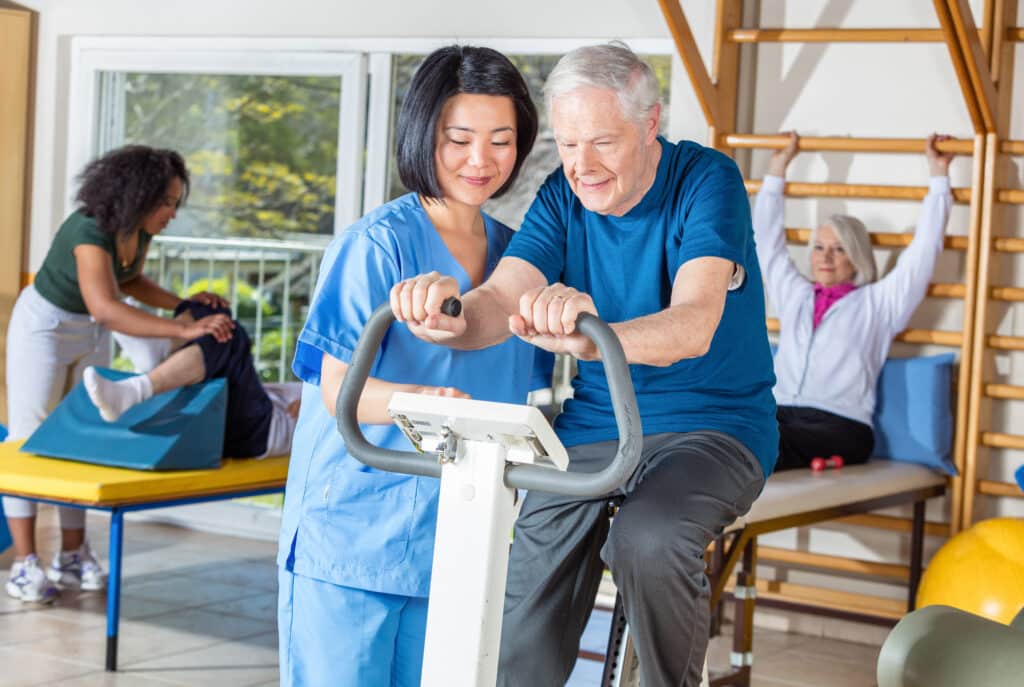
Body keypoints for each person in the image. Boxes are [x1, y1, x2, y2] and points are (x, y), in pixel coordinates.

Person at [391, 42, 777, 687]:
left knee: (648, 542)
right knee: (536, 557)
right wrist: (451, 318)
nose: (582, 166)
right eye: (568, 145)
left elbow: (694, 324)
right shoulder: (562, 198)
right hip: (598, 425)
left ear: (651, 124)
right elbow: (502, 297)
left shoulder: (708, 181)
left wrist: (595, 340)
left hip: (715, 427)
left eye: (602, 142)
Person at [277, 45, 547, 687]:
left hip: (457, 536)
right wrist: (432, 400)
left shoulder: (517, 262)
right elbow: (339, 392)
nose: (480, 161)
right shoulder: (376, 247)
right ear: (423, 134)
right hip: (353, 534)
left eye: (501, 140)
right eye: (459, 139)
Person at [4, 145, 234, 604]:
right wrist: (183, 326)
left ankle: (71, 556)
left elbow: (127, 282)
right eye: (166, 202)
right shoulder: (88, 229)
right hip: (45, 326)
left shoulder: (136, 231)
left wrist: (186, 304)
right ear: (138, 194)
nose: (171, 212)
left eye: (175, 202)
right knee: (27, 438)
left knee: (81, 436)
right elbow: (106, 306)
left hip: (89, 330)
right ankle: (25, 563)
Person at [755, 131, 954, 471]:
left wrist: (939, 178)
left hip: (842, 424)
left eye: (839, 249)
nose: (825, 258)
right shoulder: (796, 293)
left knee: (765, 440)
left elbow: (923, 252)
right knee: (731, 428)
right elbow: (766, 240)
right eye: (819, 247)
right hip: (782, 411)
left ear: (857, 256)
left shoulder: (879, 304)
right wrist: (778, 167)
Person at [81, 299, 301, 459]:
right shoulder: (325, 383)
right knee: (212, 308)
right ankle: (161, 348)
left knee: (231, 336)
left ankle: (135, 390)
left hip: (262, 431)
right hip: (258, 406)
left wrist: (316, 406)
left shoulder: (327, 402)